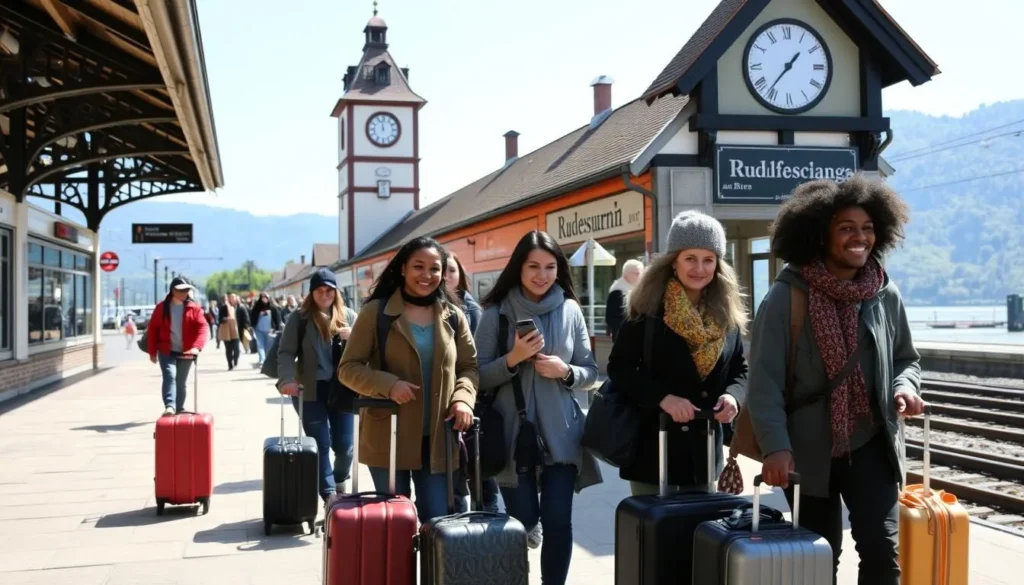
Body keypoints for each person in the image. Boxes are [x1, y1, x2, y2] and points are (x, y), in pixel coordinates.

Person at [746, 176, 925, 585]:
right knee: (817, 559)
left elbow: (906, 359)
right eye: (846, 228)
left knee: (883, 554)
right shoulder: (785, 297)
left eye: (866, 228)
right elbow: (764, 384)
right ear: (819, 235)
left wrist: (905, 387)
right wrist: (775, 448)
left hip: (872, 444)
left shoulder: (884, 292)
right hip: (806, 452)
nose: (859, 238)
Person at [474, 230, 600, 585]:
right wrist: (512, 359)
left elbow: (590, 371)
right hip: (513, 438)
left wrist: (567, 372)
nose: (542, 275)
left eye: (550, 267)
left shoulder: (571, 309)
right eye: (533, 266)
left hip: (562, 437)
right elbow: (478, 377)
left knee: (559, 521)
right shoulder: (496, 315)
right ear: (518, 268)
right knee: (523, 521)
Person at [338, 237, 478, 523]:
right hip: (388, 435)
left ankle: (431, 571)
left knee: (436, 522)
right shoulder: (376, 313)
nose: (427, 275)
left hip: (438, 438)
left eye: (435, 268)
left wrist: (463, 399)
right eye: (418, 266)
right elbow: (348, 368)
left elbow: (469, 367)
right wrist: (388, 385)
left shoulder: (454, 316)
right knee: (396, 524)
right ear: (402, 269)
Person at [606, 211, 747, 495]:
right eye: (690, 258)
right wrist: (663, 398)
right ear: (673, 262)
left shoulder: (725, 314)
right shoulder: (646, 310)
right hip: (653, 449)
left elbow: (740, 370)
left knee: (700, 535)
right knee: (657, 535)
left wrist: (733, 397)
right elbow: (619, 368)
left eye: (708, 259)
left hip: (704, 451)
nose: (700, 268)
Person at [277, 269, 360, 502]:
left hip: (342, 389)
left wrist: (353, 337)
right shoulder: (300, 317)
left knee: (344, 446)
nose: (325, 294)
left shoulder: (350, 317)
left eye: (329, 290)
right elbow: (285, 353)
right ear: (312, 293)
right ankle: (330, 496)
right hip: (309, 390)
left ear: (336, 292)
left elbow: (366, 351)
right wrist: (287, 380)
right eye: (319, 290)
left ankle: (338, 478)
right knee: (320, 442)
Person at [444, 252, 499, 512]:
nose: (446, 276)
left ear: (461, 275)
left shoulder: (472, 311)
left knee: (478, 463)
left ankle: (489, 510)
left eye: (452, 270)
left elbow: (477, 359)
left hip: (472, 400)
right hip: (442, 402)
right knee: (453, 465)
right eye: (441, 270)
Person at [146, 277, 208, 416]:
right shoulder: (162, 308)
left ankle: (179, 408)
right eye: (181, 290)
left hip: (187, 351)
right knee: (170, 375)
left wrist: (197, 347)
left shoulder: (194, 309)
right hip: (166, 350)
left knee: (181, 381)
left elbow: (203, 328)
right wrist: (152, 352)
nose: (185, 293)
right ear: (173, 291)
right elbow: (153, 329)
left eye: (187, 290)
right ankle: (170, 406)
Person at [605, 259, 643, 342]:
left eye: (641, 273)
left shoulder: (633, 290)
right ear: (626, 275)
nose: (640, 276)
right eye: (637, 273)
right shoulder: (618, 292)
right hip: (625, 340)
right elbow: (612, 319)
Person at [251, 292, 282, 367]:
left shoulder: (273, 307)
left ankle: (268, 360)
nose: (264, 299)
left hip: (270, 330)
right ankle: (262, 360)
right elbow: (252, 317)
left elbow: (277, 319)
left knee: (268, 346)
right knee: (260, 345)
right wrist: (252, 325)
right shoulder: (256, 307)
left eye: (266, 297)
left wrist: (277, 328)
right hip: (258, 329)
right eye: (262, 297)